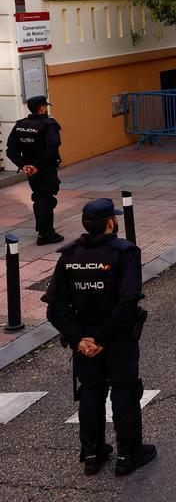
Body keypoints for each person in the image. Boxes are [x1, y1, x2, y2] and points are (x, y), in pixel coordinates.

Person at [43, 199, 156, 477]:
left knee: (91, 391)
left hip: (84, 341)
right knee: (124, 390)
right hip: (116, 337)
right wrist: (103, 339)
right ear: (110, 223)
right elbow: (128, 300)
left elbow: (55, 307)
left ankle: (92, 453)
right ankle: (128, 455)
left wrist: (80, 338)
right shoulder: (124, 253)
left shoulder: (69, 255)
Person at [5, 95, 64, 245]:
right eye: (46, 106)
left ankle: (42, 229)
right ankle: (46, 234)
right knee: (46, 200)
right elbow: (52, 147)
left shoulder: (20, 125)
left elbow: (11, 150)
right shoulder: (48, 125)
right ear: (42, 108)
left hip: (31, 171)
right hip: (45, 169)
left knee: (39, 198)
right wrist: (37, 165)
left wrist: (24, 165)